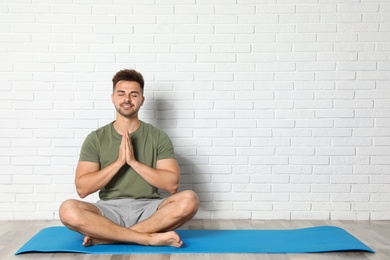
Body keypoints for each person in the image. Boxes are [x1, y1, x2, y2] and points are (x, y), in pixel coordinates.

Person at [59, 69, 199, 248]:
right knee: (67, 209)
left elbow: (171, 185)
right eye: (121, 93)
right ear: (113, 97)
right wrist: (118, 163)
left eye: (134, 94)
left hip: (149, 209)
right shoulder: (96, 138)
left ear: (142, 99)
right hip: (109, 210)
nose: (127, 99)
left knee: (190, 199)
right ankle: (146, 237)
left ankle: (111, 236)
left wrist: (133, 162)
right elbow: (82, 189)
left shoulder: (158, 136)